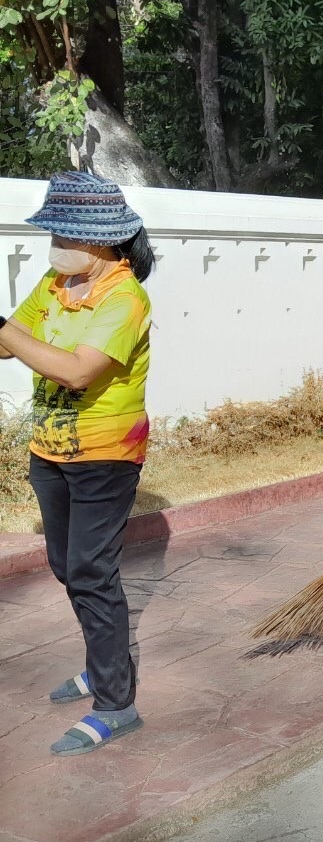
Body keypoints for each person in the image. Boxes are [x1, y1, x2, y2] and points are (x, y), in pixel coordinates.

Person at [0, 172, 154, 756]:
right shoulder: (57, 281)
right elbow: (9, 340)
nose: (53, 245)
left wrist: (10, 333)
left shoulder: (126, 298)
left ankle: (116, 704)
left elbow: (77, 370)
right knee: (68, 566)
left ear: (100, 240)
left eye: (62, 234)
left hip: (105, 458)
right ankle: (102, 661)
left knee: (91, 572)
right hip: (50, 450)